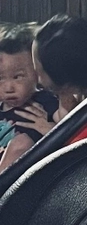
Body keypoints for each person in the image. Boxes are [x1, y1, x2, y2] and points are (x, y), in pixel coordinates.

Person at [0, 25, 58, 171]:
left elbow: (70, 134)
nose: (8, 88)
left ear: (37, 72)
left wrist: (50, 130)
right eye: (0, 78)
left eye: (18, 77)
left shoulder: (46, 101)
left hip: (23, 177)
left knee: (21, 143)